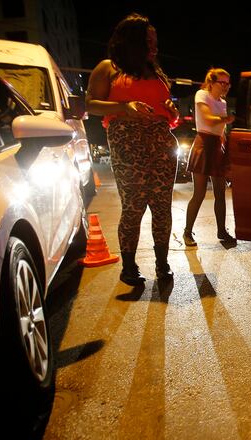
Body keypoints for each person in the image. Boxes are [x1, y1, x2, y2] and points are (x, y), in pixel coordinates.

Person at [85, 13, 179, 285]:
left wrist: (172, 111)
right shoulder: (109, 68)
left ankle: (162, 264)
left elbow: (166, 112)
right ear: (133, 42)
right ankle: (129, 267)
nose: (155, 47)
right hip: (127, 142)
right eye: (149, 41)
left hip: (161, 141)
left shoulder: (155, 71)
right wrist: (123, 108)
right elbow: (90, 104)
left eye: (155, 41)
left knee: (162, 207)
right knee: (134, 206)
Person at [182, 68, 236, 246]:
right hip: (204, 144)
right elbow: (207, 118)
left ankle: (222, 231)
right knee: (199, 193)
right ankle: (187, 232)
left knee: (220, 193)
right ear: (211, 82)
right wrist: (226, 119)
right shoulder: (201, 94)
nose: (226, 86)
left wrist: (227, 148)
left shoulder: (223, 102)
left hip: (217, 146)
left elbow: (222, 129)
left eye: (228, 83)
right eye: (223, 82)